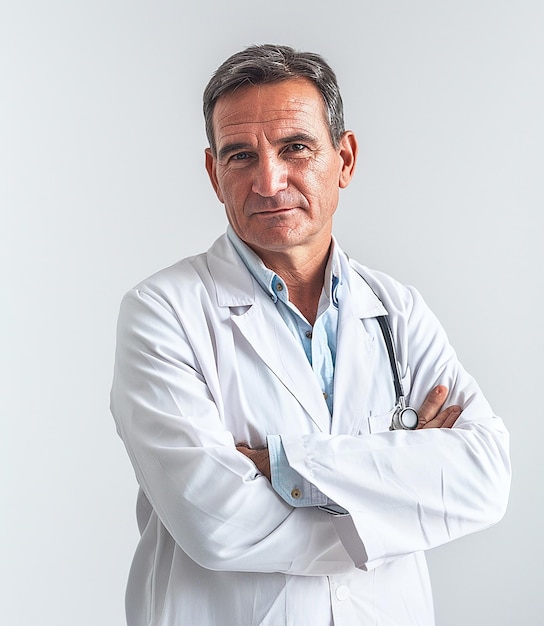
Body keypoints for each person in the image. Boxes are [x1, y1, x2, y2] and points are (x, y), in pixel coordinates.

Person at [110, 43, 511, 626]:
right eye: (240, 156)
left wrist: (281, 464)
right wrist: (399, 497)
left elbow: (483, 479)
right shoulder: (161, 313)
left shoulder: (397, 311)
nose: (269, 182)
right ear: (213, 174)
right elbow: (217, 525)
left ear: (344, 158)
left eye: (295, 147)